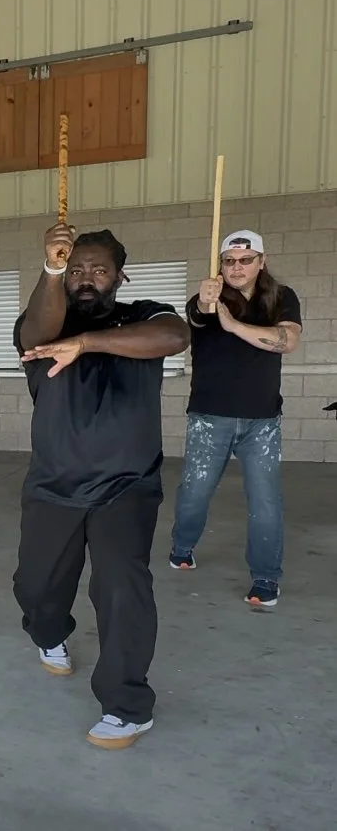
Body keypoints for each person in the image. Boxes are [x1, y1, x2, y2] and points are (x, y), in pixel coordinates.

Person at [11, 223, 190, 750]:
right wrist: (50, 267)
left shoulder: (143, 316)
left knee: (120, 588)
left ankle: (126, 704)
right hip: (52, 485)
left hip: (125, 487)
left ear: (119, 276)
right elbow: (36, 338)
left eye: (99, 270)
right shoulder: (44, 318)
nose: (86, 278)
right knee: (35, 590)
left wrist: (86, 343)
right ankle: (51, 635)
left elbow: (175, 336)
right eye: (76, 269)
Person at [168, 230, 302, 609]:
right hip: (210, 418)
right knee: (195, 494)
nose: (237, 267)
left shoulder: (280, 297)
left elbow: (287, 340)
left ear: (261, 261)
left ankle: (265, 579)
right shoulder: (207, 299)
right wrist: (207, 305)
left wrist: (235, 327)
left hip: (263, 421)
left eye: (246, 260)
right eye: (229, 261)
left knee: (265, 502)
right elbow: (198, 314)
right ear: (221, 264)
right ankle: (182, 547)